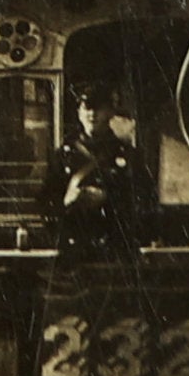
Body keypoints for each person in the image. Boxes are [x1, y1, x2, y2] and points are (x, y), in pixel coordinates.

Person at [45, 84, 141, 264]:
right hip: (73, 252)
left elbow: (141, 202)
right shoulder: (64, 156)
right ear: (79, 113)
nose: (92, 114)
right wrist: (66, 201)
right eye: (86, 108)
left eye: (99, 108)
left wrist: (107, 198)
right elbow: (46, 203)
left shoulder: (127, 155)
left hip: (114, 252)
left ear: (111, 112)